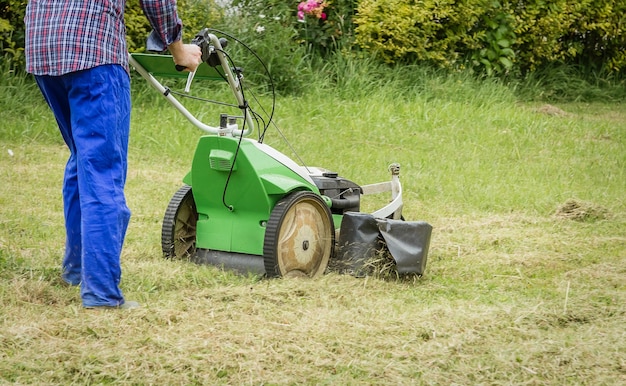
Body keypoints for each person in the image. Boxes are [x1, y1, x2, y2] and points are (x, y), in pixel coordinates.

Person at [24, 1, 202, 309]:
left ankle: (76, 271)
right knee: (102, 169)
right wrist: (179, 50)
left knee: (83, 159)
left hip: (43, 45)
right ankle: (102, 294)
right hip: (92, 49)